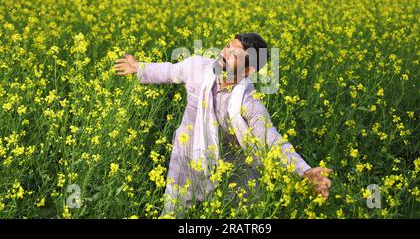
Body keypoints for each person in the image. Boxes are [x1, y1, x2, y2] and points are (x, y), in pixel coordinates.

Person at [114, 33, 332, 218]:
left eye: (234, 55)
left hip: (227, 171)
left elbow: (271, 140)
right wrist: (139, 68)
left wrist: (305, 171)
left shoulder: (249, 104)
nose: (224, 53)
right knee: (172, 211)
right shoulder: (197, 68)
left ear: (247, 71)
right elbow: (170, 71)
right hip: (186, 158)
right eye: (228, 46)